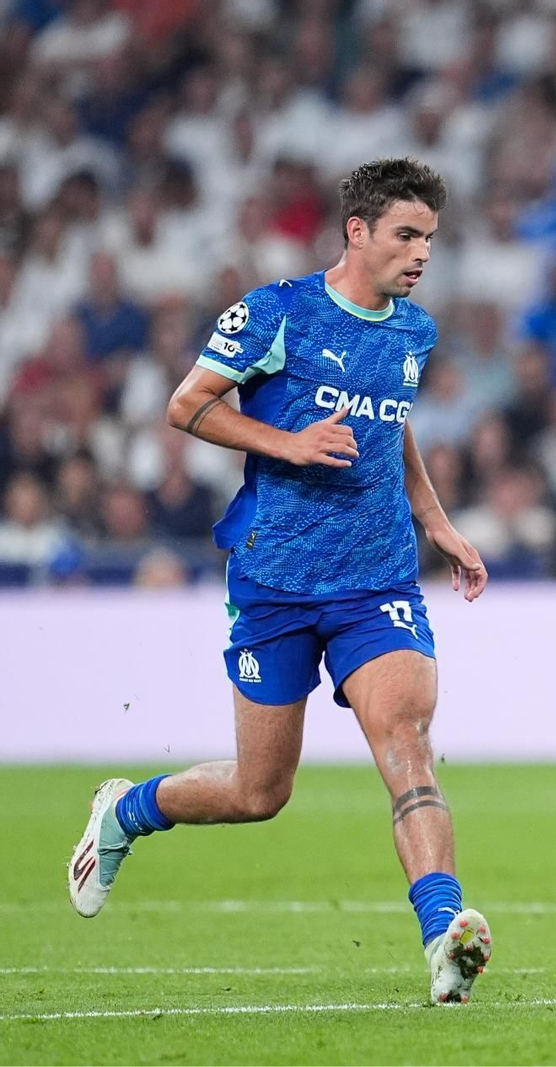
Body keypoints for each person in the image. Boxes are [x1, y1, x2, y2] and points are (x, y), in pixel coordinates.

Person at [66, 158, 495, 1006]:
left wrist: (436, 521)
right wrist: (288, 443)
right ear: (358, 231)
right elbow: (187, 404)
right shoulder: (277, 312)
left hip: (376, 579)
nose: (422, 253)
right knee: (260, 791)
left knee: (407, 743)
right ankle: (126, 810)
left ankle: (444, 938)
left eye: (431, 238)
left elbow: (393, 426)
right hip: (275, 578)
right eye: (407, 234)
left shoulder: (413, 331)